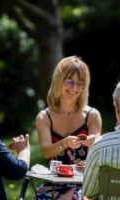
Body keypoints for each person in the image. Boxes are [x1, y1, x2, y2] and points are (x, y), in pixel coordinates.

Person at [34, 55, 102, 199]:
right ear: (59, 81)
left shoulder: (92, 116)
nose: (74, 88)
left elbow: (97, 157)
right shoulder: (44, 117)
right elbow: (46, 152)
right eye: (70, 81)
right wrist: (64, 143)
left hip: (85, 183)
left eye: (80, 83)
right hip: (54, 182)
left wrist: (93, 142)